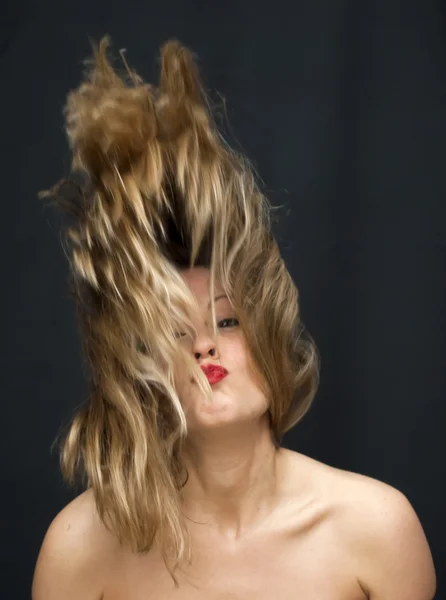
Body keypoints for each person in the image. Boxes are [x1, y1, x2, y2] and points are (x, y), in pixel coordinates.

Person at [32, 38, 436, 600]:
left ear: (268, 327)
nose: (203, 347)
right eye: (173, 330)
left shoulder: (377, 530)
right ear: (138, 363)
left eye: (226, 322)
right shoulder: (78, 549)